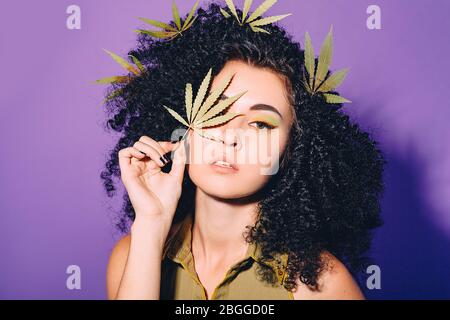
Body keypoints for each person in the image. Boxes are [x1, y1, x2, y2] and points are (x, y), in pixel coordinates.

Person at [100, 1, 386, 300]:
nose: (229, 136)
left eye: (261, 124)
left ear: (292, 150)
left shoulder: (319, 284)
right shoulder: (134, 254)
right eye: (215, 110)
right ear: (185, 123)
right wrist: (151, 224)